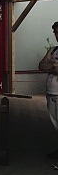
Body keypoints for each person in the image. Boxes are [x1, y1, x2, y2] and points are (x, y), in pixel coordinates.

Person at [38, 21, 58, 163]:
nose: (57, 35)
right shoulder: (53, 50)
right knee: (55, 124)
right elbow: (41, 65)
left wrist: (50, 67)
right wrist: (54, 66)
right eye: (55, 32)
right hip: (51, 92)